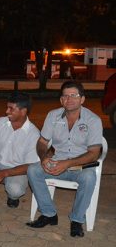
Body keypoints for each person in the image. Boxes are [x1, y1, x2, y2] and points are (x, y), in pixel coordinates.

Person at [27, 81, 103, 237]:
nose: (69, 99)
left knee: (89, 178)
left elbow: (94, 153)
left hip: (80, 166)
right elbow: (42, 142)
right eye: (65, 96)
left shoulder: (93, 120)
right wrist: (43, 158)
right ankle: (49, 214)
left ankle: (76, 220)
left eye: (74, 95)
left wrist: (68, 163)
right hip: (57, 162)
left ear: (82, 99)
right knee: (33, 170)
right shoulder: (53, 116)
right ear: (61, 100)